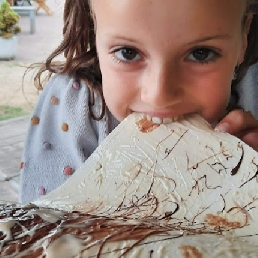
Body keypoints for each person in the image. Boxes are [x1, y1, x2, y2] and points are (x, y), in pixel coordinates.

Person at [19, 0, 258, 203]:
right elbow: (47, 234)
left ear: (243, 36)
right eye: (128, 52)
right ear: (95, 30)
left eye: (201, 53)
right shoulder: (74, 107)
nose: (159, 96)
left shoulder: (252, 95)